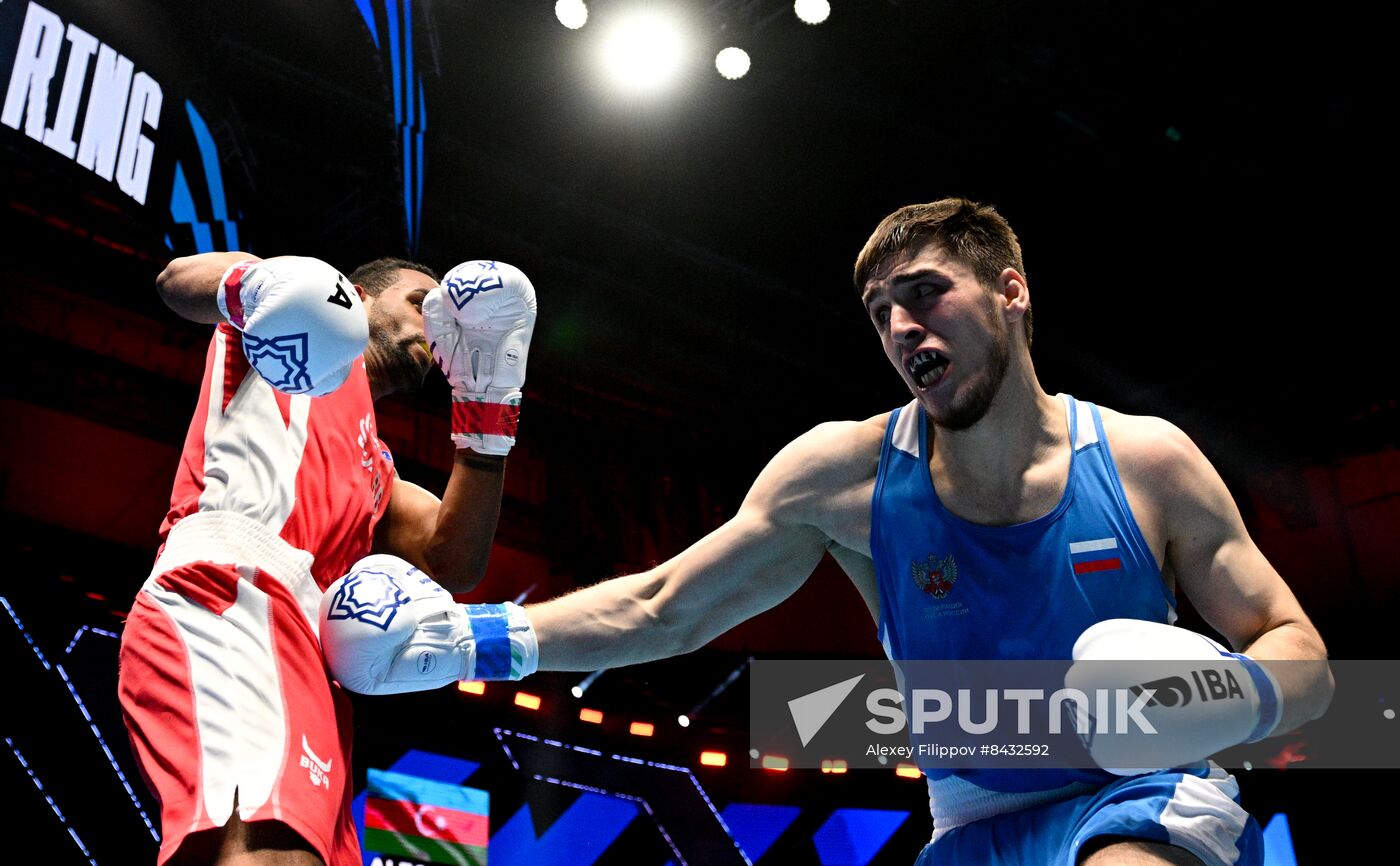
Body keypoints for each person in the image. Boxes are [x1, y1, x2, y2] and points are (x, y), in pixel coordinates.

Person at [321, 199, 1333, 866]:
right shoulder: (842, 472)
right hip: (973, 819)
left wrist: (1222, 694)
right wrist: (468, 638)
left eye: (925, 292)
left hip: (1141, 796)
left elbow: (1301, 656)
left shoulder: (1145, 460)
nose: (900, 326)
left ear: (1010, 293)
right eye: (879, 308)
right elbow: (665, 605)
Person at [117, 252, 537, 865]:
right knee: (267, 852)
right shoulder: (279, 323)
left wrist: (488, 404)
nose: (436, 328)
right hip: (231, 601)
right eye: (423, 305)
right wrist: (259, 282)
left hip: (309, 657)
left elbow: (455, 560)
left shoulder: (377, 462)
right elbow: (175, 280)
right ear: (359, 296)